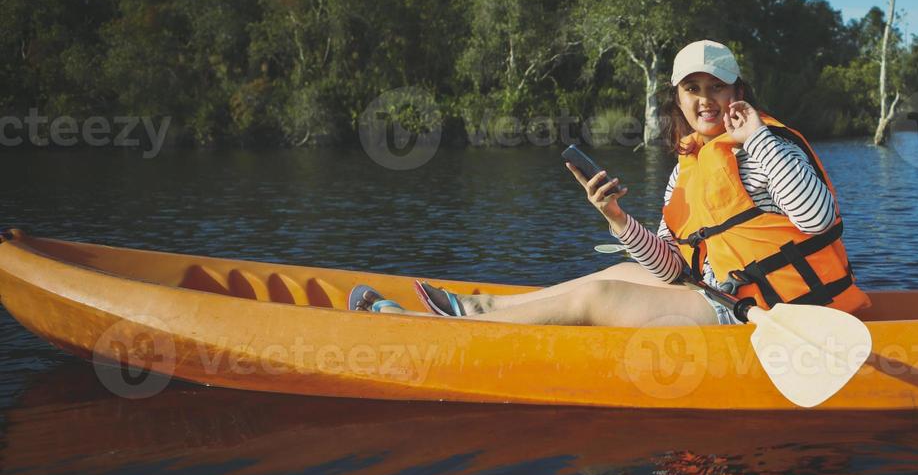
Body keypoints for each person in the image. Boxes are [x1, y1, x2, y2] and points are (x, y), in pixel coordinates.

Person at [351, 40, 869, 326]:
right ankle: (481, 309)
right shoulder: (687, 168)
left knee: (597, 297)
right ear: (678, 98)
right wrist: (617, 220)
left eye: (717, 86)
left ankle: (437, 331)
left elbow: (819, 219)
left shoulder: (767, 146)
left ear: (739, 90)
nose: (705, 98)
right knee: (621, 266)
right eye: (693, 88)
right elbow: (672, 268)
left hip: (783, 312)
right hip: (726, 293)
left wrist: (756, 137)